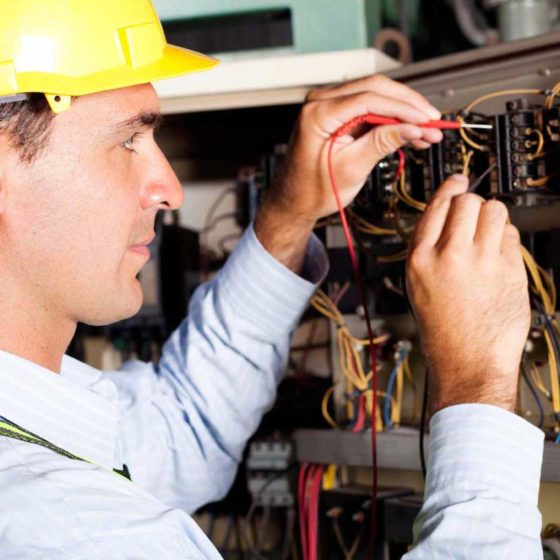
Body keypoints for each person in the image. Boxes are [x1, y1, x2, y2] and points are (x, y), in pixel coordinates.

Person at [0, 0, 543, 558]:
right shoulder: (68, 534)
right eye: (127, 141)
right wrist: (476, 382)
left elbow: (177, 433)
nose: (169, 189)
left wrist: (288, 217)